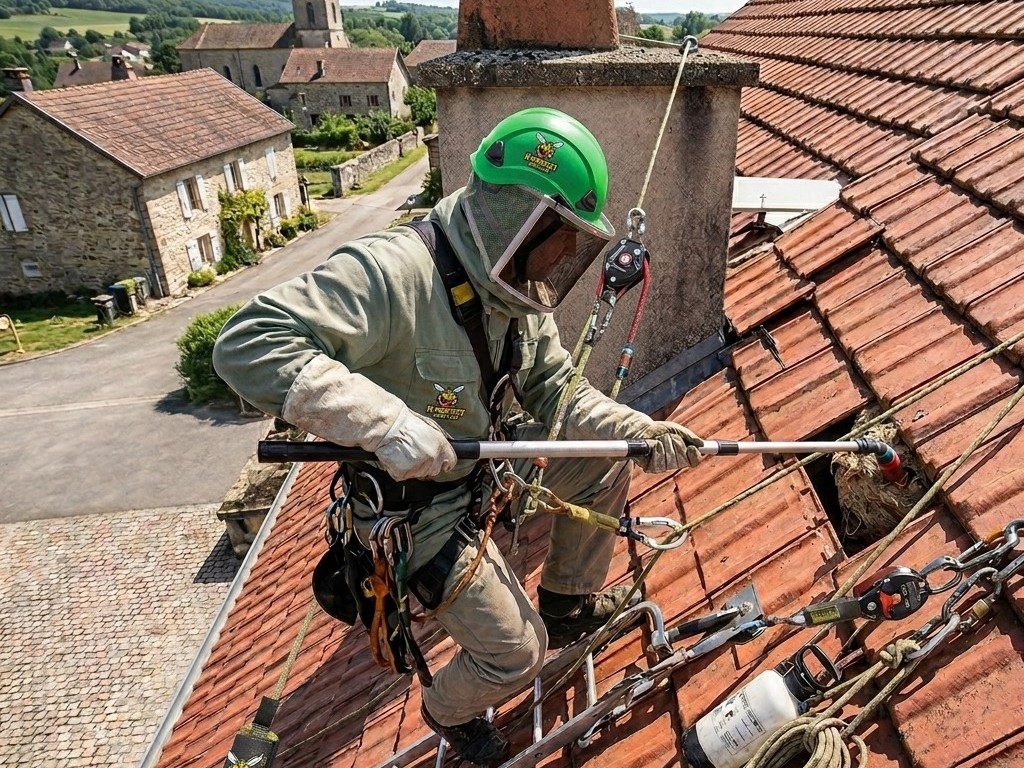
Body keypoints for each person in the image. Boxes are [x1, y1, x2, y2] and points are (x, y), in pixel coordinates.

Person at [213, 107, 703, 767]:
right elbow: (247, 342)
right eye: (558, 237)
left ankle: (565, 601)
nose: (562, 258)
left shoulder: (514, 296)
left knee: (607, 459)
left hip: (483, 475)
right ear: (516, 216)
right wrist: (380, 422)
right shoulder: (393, 276)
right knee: (515, 657)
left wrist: (639, 431)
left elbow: (557, 392)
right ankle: (447, 709)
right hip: (416, 514)